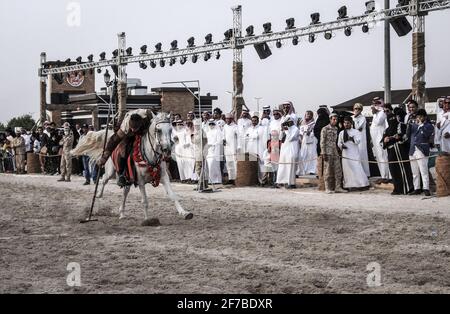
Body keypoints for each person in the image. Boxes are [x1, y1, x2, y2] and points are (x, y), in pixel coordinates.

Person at [98, 109, 151, 187]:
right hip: (127, 136)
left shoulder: (148, 116)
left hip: (144, 133)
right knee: (123, 151)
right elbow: (113, 141)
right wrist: (104, 158)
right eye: (132, 128)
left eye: (135, 128)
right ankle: (122, 174)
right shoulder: (125, 127)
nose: (133, 130)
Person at [382, 107, 414, 195]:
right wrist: (385, 141)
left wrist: (399, 138)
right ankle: (397, 189)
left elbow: (406, 137)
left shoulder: (402, 125)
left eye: (393, 118)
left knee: (403, 169)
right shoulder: (386, 130)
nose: (392, 120)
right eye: (389, 119)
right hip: (391, 152)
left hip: (401, 152)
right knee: (393, 170)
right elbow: (381, 143)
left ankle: (407, 188)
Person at [407, 109, 434, 196]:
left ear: (425, 117)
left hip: (421, 149)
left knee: (423, 170)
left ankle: (426, 188)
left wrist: (421, 125)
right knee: (414, 171)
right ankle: (417, 188)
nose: (419, 118)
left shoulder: (429, 126)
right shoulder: (413, 125)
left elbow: (426, 135)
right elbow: (408, 134)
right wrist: (409, 123)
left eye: (421, 116)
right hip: (412, 149)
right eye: (418, 116)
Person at [338, 116, 370, 190]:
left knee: (357, 167)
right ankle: (349, 185)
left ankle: (362, 184)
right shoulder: (341, 133)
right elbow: (339, 143)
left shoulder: (356, 131)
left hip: (354, 153)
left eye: (348, 123)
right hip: (345, 153)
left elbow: (358, 141)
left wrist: (351, 138)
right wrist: (342, 146)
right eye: (345, 123)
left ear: (351, 123)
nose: (346, 125)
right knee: (347, 169)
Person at [320, 114, 347, 194]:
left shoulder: (336, 128)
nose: (335, 121)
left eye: (336, 119)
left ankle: (338, 187)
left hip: (335, 151)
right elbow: (322, 141)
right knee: (327, 170)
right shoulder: (325, 129)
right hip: (327, 152)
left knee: (338, 170)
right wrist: (323, 152)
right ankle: (327, 188)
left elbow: (336, 141)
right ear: (330, 119)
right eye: (334, 119)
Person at [370, 98, 390, 182]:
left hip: (380, 138)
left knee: (383, 157)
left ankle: (386, 176)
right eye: (374, 103)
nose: (375, 105)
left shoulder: (382, 112)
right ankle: (383, 175)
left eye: (377, 103)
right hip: (375, 138)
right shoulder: (376, 112)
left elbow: (378, 122)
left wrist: (375, 112)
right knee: (378, 157)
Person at [276, 117, 299, 189]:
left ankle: (291, 183)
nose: (287, 124)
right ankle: (281, 182)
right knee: (283, 165)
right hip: (284, 149)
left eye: (288, 122)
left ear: (292, 121)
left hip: (292, 149)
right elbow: (280, 138)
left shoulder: (295, 129)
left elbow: (290, 138)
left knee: (290, 166)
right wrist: (282, 130)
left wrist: (286, 130)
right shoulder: (286, 129)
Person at [352, 103, 370, 177]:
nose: (357, 110)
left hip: (361, 139)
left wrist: (355, 120)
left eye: (359, 109)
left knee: (362, 155)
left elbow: (358, 127)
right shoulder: (352, 117)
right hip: (353, 138)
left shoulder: (363, 118)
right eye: (355, 108)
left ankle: (365, 173)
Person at [297, 111, 317, 176]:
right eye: (306, 114)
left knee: (311, 155)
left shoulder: (314, 124)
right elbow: (300, 133)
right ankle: (302, 170)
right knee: (303, 155)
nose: (307, 115)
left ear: (312, 115)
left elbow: (315, 132)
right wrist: (300, 138)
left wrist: (310, 133)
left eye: (309, 114)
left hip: (311, 142)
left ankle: (311, 170)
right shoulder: (302, 124)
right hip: (304, 142)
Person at [205, 119, 223, 185]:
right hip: (209, 150)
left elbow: (219, 141)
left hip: (216, 150)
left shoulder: (217, 131)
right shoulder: (208, 132)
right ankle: (211, 180)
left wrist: (213, 145)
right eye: (210, 124)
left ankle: (217, 180)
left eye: (212, 124)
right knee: (209, 165)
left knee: (214, 164)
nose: (211, 125)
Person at [223, 113, 238, 185]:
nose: (227, 120)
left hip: (234, 147)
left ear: (232, 119)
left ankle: (236, 178)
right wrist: (223, 139)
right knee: (229, 163)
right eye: (226, 119)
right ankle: (230, 178)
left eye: (229, 119)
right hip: (227, 148)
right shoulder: (225, 126)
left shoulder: (235, 127)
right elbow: (223, 135)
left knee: (235, 163)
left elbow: (239, 137)